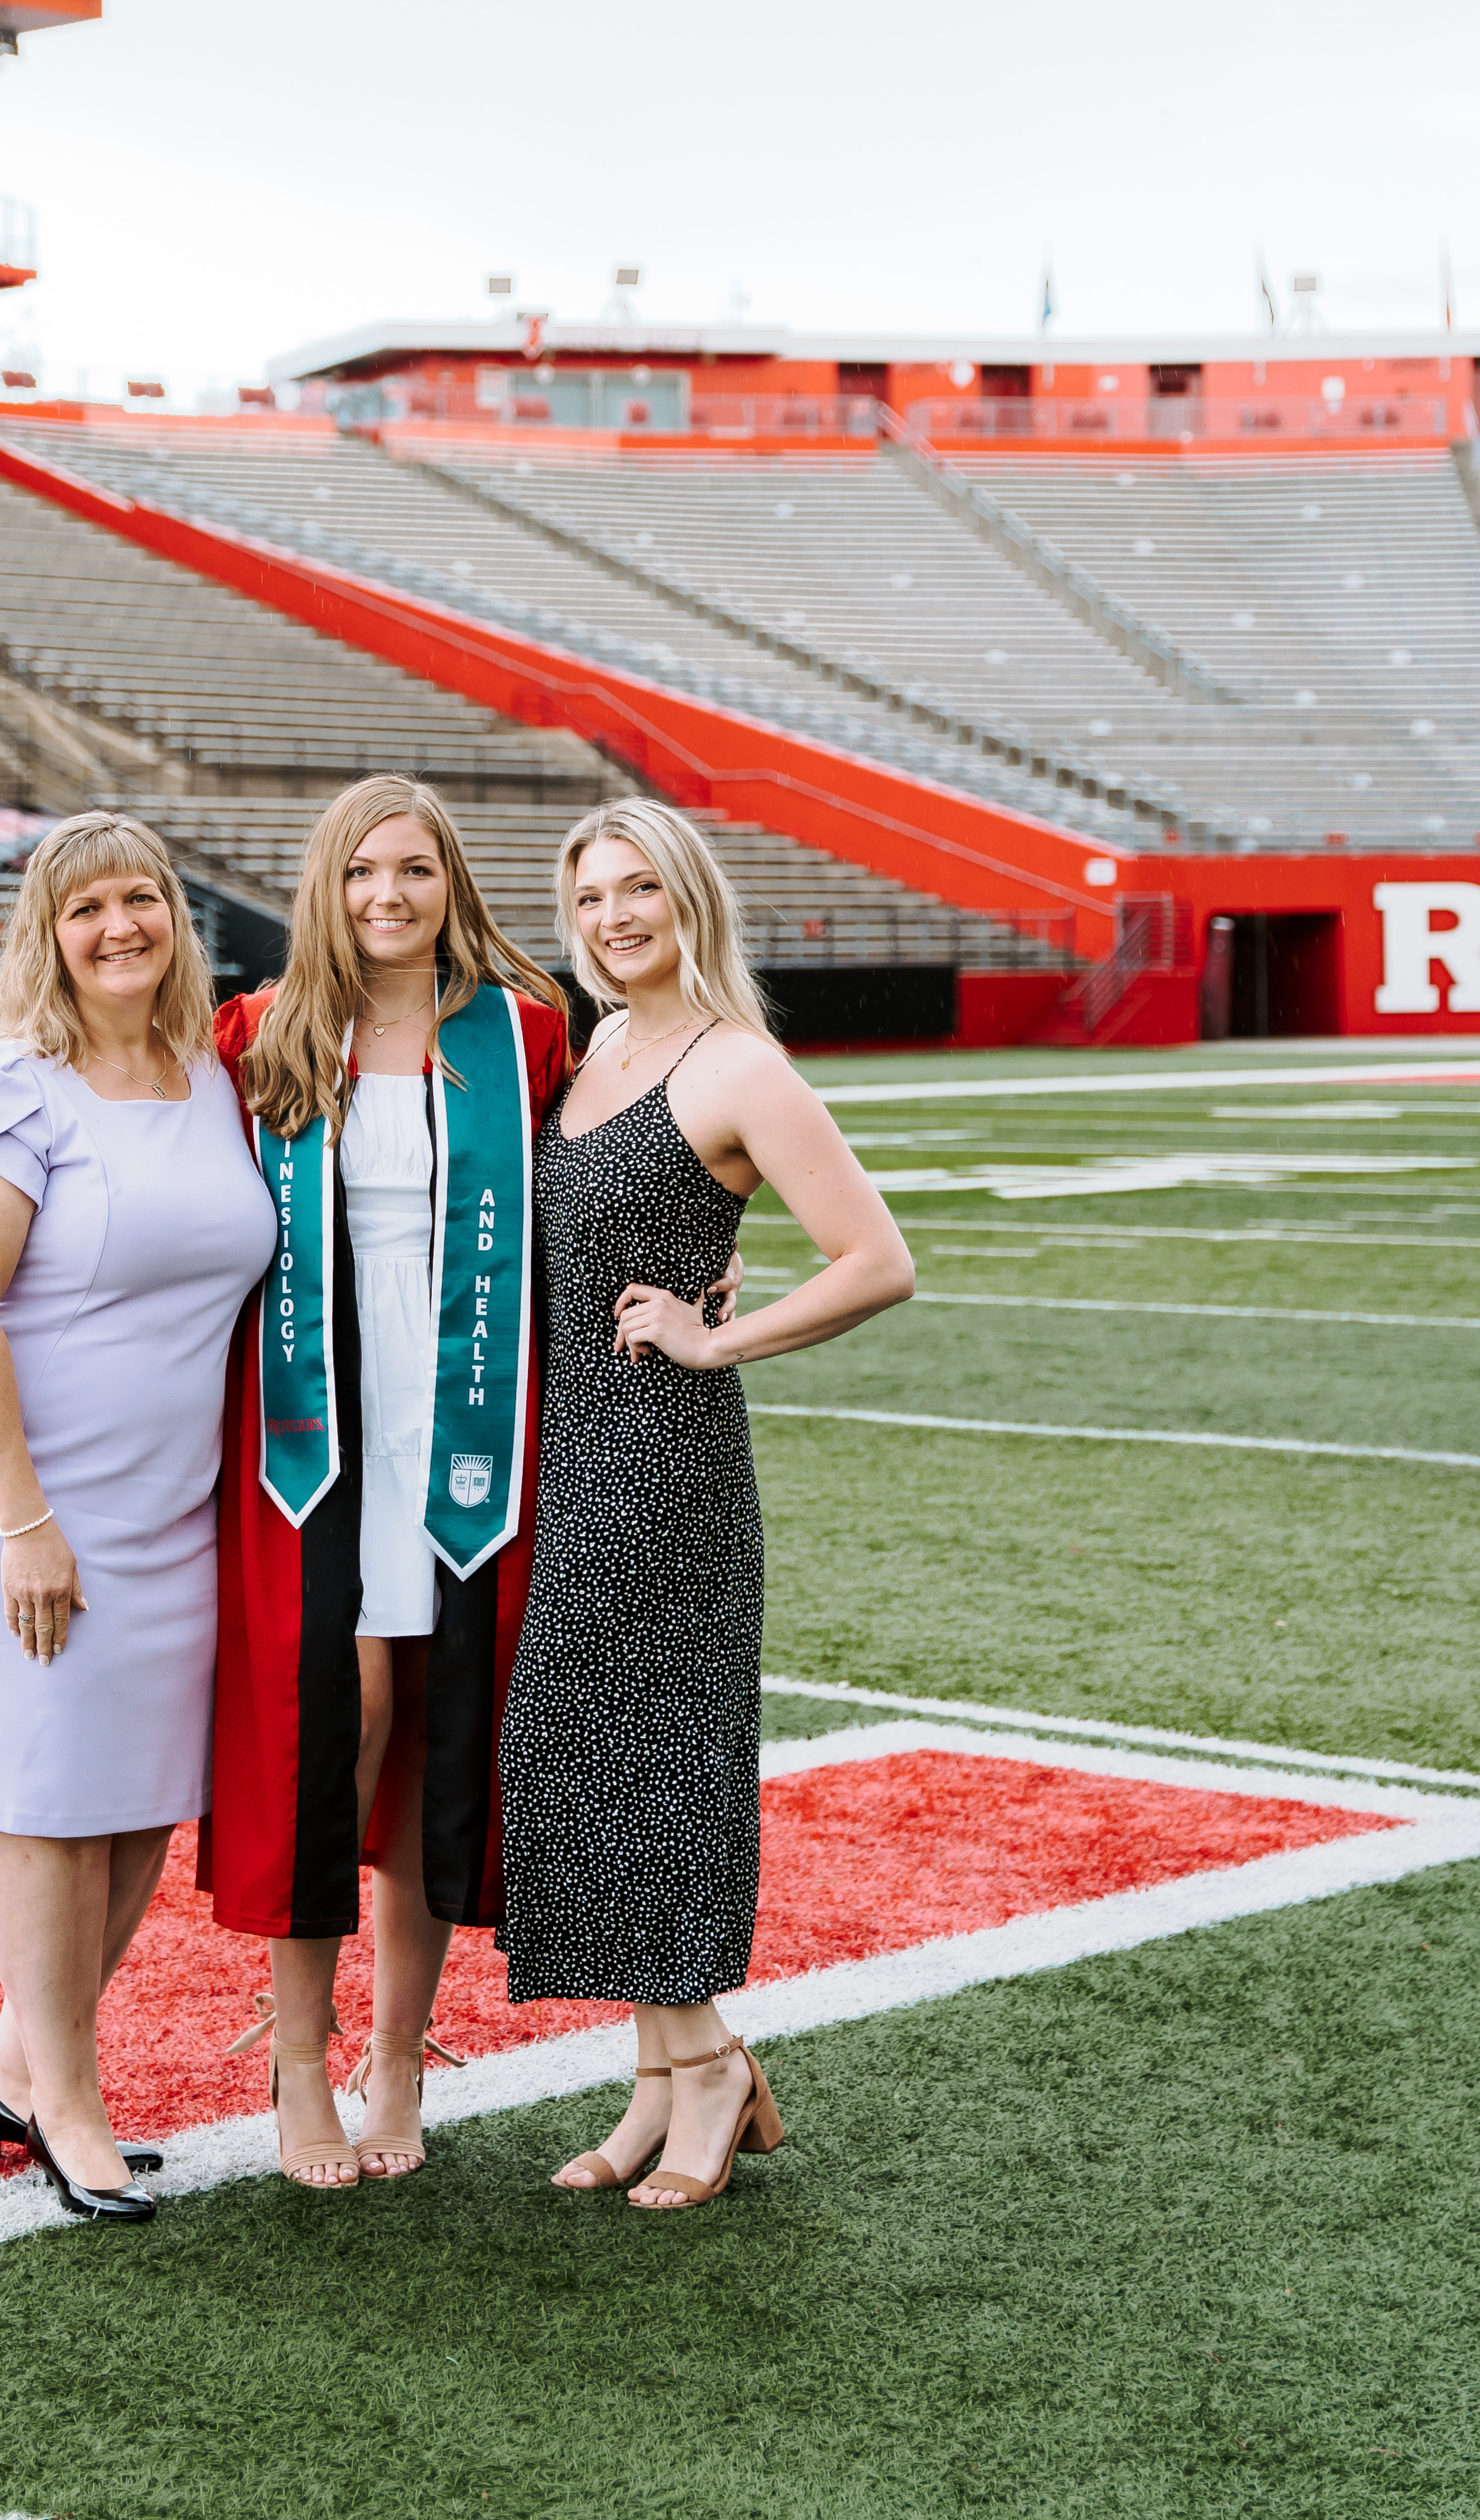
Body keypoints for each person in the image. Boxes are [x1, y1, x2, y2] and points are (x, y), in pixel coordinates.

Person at [498, 797, 914, 2213]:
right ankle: (664, 2079)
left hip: (663, 1460)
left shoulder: (737, 1064)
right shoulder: (592, 1044)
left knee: (653, 1760)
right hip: (561, 1452)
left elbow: (875, 1259)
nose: (615, 918)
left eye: (640, 892)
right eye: (593, 896)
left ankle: (711, 2071)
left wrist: (716, 1335)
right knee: (577, 1754)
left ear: (689, 901)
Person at [0, 810, 277, 2225]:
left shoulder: (206, 1067)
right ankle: (72, 2103)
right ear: (43, 931)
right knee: (44, 1795)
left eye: (141, 901)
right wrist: (20, 1517)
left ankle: (13, 2064)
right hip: (13, 1484)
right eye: (86, 907)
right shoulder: (7, 1082)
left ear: (176, 915)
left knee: (145, 1793)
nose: (119, 928)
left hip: (167, 1496)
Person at [202, 774, 572, 2187]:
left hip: (469, 1426)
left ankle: (398, 2057)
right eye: (362, 873)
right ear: (326, 887)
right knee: (331, 1730)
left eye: (414, 870)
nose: (388, 897)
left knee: (431, 1731)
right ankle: (297, 2056)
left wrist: (696, 1261)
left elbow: (605, 1178)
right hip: (317, 1438)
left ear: (449, 884)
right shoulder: (262, 1033)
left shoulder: (520, 1037)